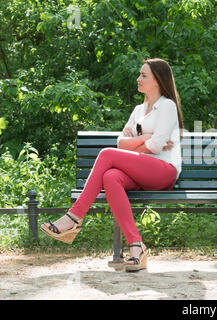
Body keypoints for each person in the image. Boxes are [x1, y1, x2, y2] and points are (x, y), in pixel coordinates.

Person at [40, 58, 183, 272]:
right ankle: (136, 247)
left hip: (163, 171)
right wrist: (148, 138)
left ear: (158, 81)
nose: (138, 78)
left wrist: (139, 142)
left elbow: (154, 147)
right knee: (111, 177)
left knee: (107, 155)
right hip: (139, 172)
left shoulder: (167, 106)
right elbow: (121, 142)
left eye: (144, 75)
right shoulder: (138, 110)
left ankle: (74, 217)